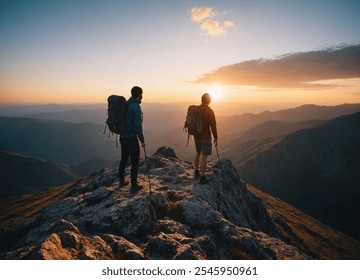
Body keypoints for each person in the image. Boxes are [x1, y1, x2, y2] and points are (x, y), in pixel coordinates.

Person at [118, 86, 145, 192]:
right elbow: (137, 125)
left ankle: (121, 181)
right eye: (141, 94)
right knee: (134, 162)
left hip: (123, 137)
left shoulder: (126, 104)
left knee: (124, 159)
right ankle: (133, 185)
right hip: (131, 138)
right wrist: (142, 140)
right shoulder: (135, 107)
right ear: (139, 94)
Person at [194, 93, 218, 184]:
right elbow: (213, 126)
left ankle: (196, 172)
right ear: (209, 101)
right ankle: (202, 177)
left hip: (196, 136)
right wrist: (216, 137)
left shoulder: (196, 109)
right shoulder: (209, 111)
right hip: (205, 137)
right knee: (204, 157)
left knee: (198, 153)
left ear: (201, 100)